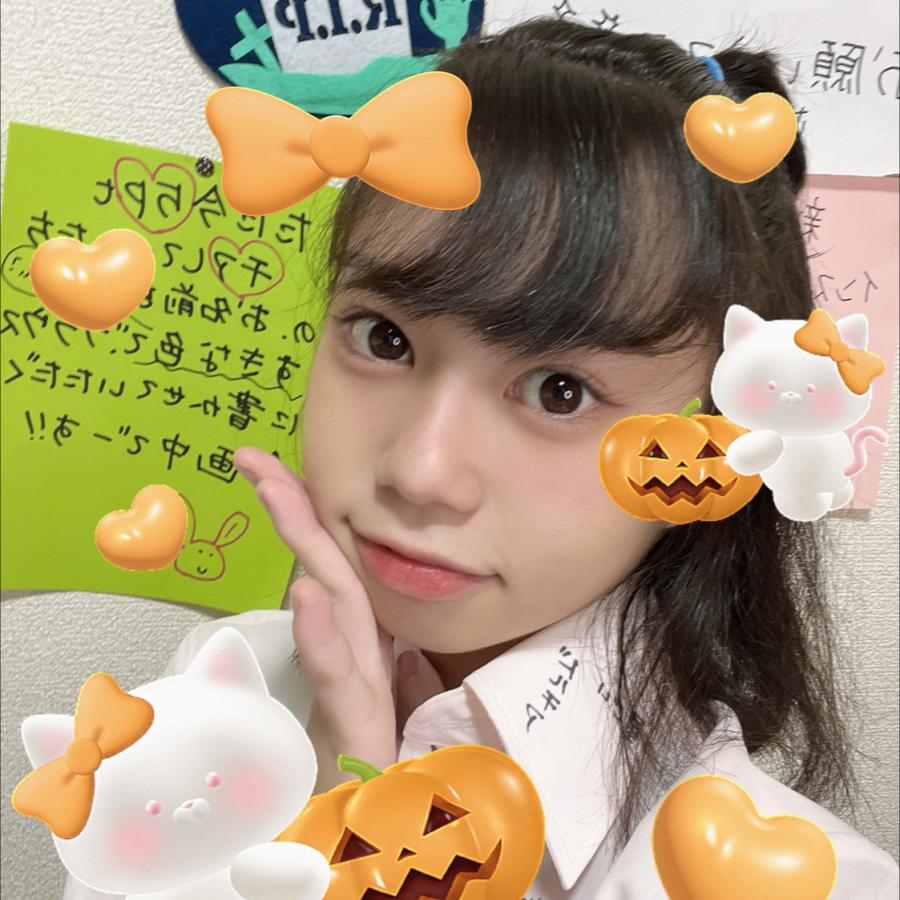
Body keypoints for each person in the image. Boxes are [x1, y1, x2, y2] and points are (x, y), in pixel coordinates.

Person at [63, 16, 898, 899]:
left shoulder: (803, 882)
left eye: (560, 392)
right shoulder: (214, 691)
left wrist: (360, 825)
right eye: (383, 338)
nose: (419, 472)